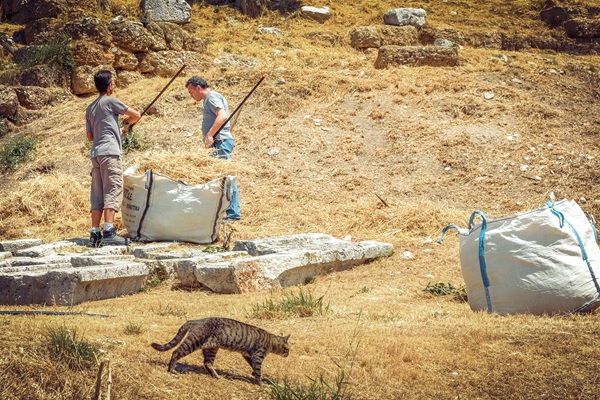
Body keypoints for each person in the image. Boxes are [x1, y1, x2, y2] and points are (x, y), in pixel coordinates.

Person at [86, 69, 141, 247]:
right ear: (109, 86)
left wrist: (116, 130)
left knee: (97, 192)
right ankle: (109, 231)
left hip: (96, 153)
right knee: (113, 188)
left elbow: (90, 136)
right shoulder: (110, 101)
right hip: (110, 153)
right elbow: (136, 115)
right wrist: (126, 122)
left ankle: (95, 233)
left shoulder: (90, 108)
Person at [185, 76, 241, 221]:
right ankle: (226, 212)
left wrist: (210, 135)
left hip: (219, 142)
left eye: (191, 92)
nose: (191, 95)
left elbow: (222, 116)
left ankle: (233, 214)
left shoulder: (211, 97)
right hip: (219, 142)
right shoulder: (211, 98)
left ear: (198, 88)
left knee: (226, 178)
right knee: (221, 178)